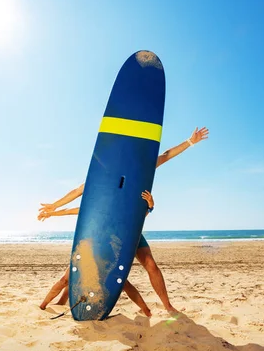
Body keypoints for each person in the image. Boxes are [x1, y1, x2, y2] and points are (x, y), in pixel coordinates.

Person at [38, 127, 209, 315]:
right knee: (80, 272)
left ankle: (167, 306)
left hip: (130, 230)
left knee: (150, 265)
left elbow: (166, 156)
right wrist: (54, 207)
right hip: (103, 234)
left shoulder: (140, 172)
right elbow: (77, 194)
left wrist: (190, 141)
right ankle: (62, 300)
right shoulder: (101, 178)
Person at [39, 190, 157, 317]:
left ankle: (146, 311)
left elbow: (137, 219)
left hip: (107, 252)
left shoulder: (118, 213)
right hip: (88, 251)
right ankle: (43, 306)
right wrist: (51, 213)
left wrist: (150, 206)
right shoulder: (91, 210)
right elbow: (69, 211)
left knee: (123, 283)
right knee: (65, 279)